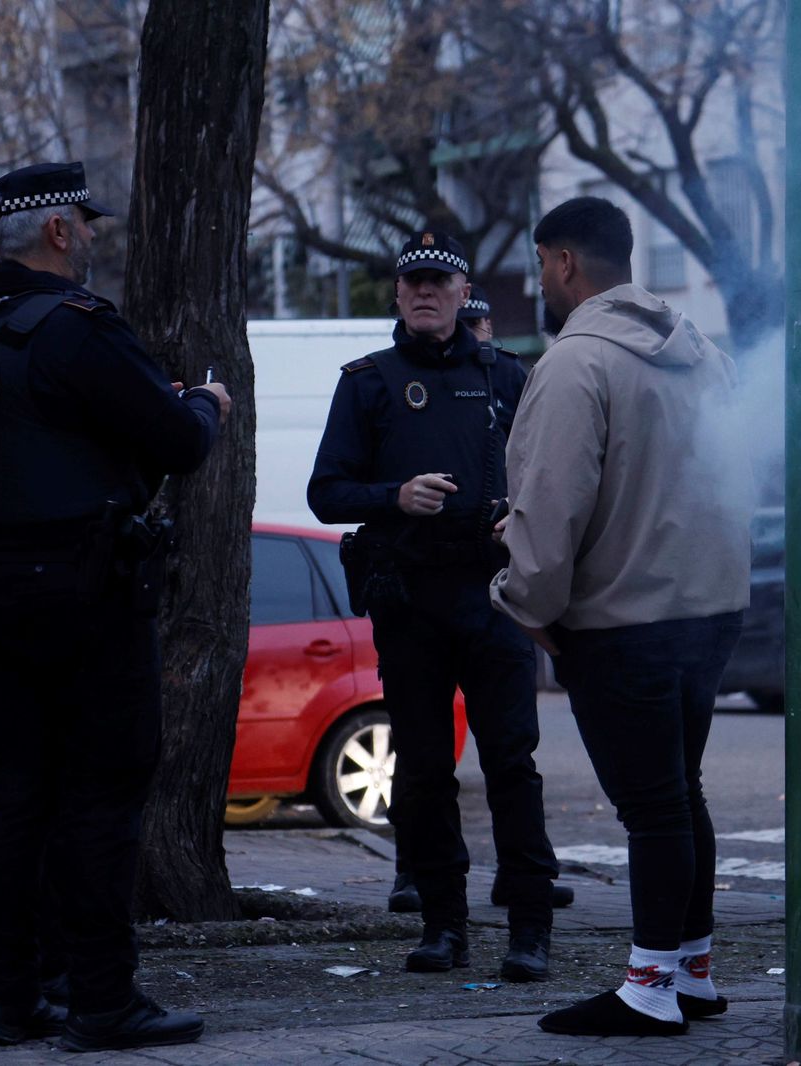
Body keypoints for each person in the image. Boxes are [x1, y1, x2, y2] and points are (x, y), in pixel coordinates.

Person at [0, 161, 229, 1051]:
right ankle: (103, 998)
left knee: (11, 794)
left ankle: (5, 996)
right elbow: (173, 440)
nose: (96, 238)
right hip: (85, 599)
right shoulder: (73, 328)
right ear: (59, 231)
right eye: (87, 225)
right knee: (103, 795)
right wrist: (205, 405)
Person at [490, 196, 753, 1036]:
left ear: (563, 262)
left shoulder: (575, 365)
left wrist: (524, 603)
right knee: (682, 795)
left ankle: (648, 987)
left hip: (621, 621)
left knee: (654, 809)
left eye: (539, 264)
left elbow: (551, 505)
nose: (540, 280)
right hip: (705, 610)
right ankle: (692, 971)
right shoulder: (702, 353)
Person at [308, 231, 558, 983]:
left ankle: (530, 928)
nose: (424, 291)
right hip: (411, 603)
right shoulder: (368, 381)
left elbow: (553, 475)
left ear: (461, 291)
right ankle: (443, 925)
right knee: (421, 770)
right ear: (396, 293)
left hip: (493, 597)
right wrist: (396, 497)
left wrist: (519, 514)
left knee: (512, 765)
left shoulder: (506, 376)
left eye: (438, 280)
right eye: (412, 280)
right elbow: (326, 493)